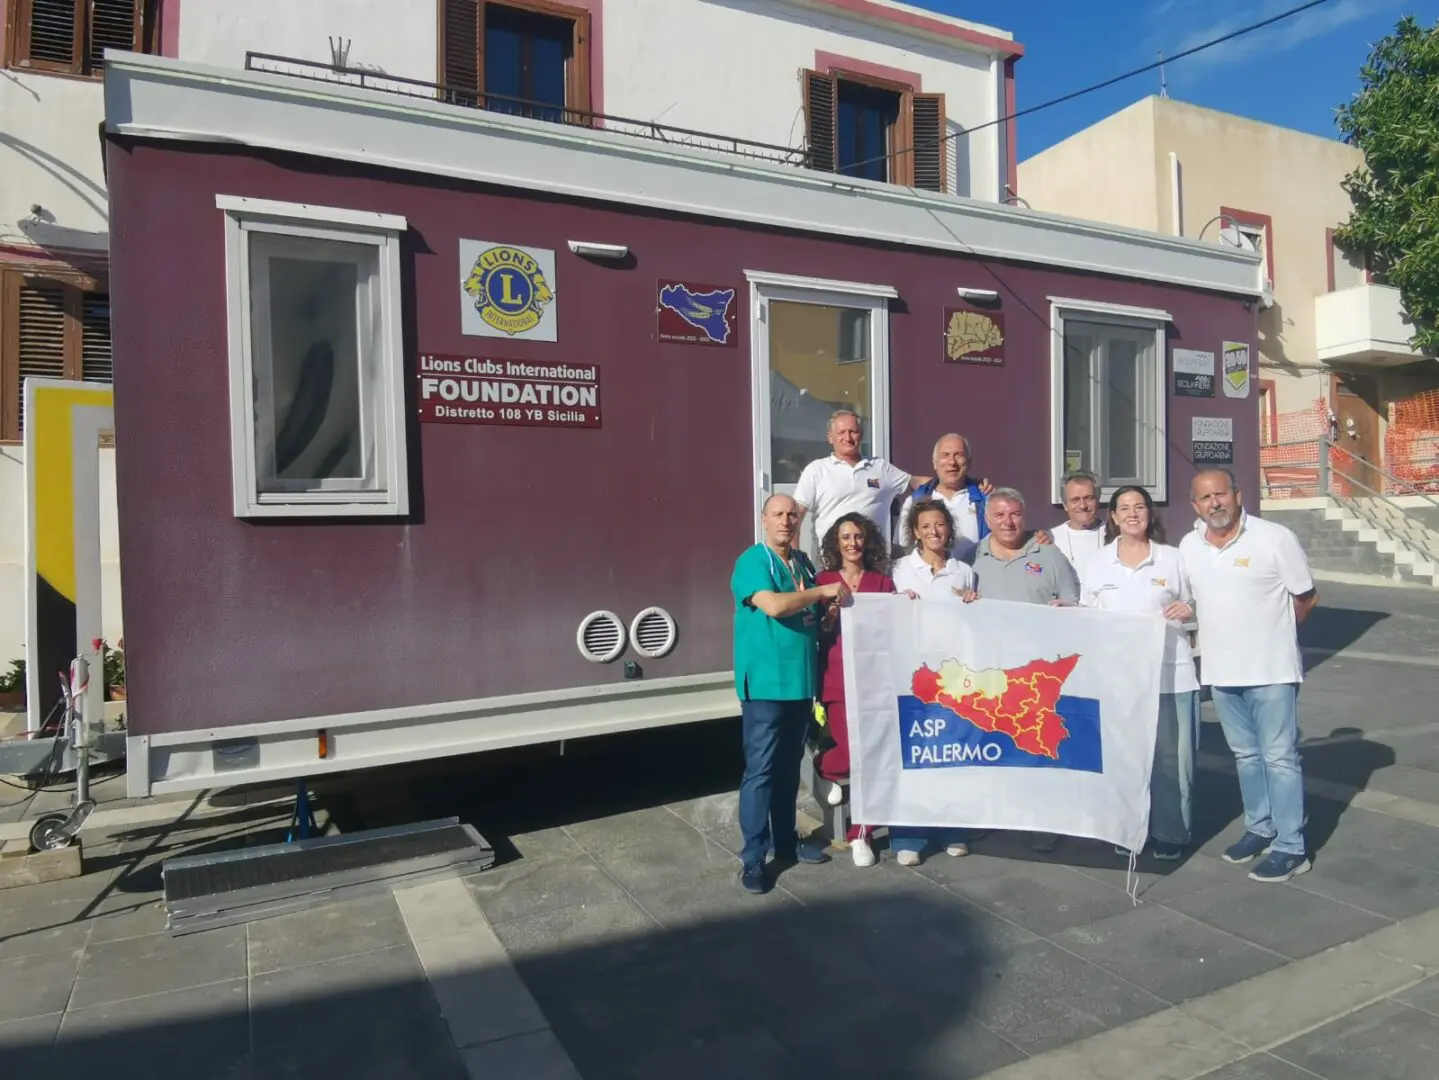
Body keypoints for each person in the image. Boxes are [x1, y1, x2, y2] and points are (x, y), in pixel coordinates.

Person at [1179, 468, 1319, 884]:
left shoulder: (1274, 538)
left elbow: (1306, 596)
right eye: (1206, 498)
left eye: (1221, 494)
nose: (1215, 503)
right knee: (1246, 757)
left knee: (1280, 758)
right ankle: (1260, 828)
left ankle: (1291, 847)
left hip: (1271, 671)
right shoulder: (1189, 546)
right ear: (1195, 505)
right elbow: (1191, 600)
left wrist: (1276, 635)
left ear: (1238, 495)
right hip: (1222, 673)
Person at [730, 494, 846, 894]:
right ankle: (753, 858)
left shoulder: (802, 562)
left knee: (787, 769)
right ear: (763, 519)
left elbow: (810, 615)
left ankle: (785, 842)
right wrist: (820, 592)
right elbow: (776, 606)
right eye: (777, 514)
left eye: (792, 514)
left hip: (799, 682)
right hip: (766, 684)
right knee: (761, 771)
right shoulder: (752, 561)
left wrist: (827, 613)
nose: (786, 521)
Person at [1080, 485, 1198, 860]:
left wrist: (1190, 609)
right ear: (1113, 517)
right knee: (1125, 758)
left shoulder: (1172, 558)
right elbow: (1087, 617)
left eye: (1139, 506)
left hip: (1171, 675)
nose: (1132, 513)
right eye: (1124, 508)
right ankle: (1129, 829)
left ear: (1149, 513)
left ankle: (1171, 832)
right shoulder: (1098, 563)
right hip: (1119, 680)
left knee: (1172, 760)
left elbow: (1197, 601)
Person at [971, 487, 1079, 853]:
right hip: (990, 671)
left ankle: (1044, 822)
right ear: (987, 519)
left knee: (1039, 747)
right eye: (999, 515)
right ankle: (994, 817)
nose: (1008, 521)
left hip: (1038, 675)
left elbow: (1074, 606)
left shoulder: (1049, 554)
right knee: (993, 746)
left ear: (1025, 515)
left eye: (1014, 514)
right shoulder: (973, 557)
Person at [888, 499, 979, 866]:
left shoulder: (964, 572)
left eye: (940, 524)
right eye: (926, 526)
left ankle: (952, 829)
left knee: (951, 753)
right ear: (915, 532)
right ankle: (908, 835)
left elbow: (973, 624)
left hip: (954, 677)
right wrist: (896, 602)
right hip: (912, 676)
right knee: (915, 754)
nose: (934, 532)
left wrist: (973, 602)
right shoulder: (899, 570)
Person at [814, 513, 896, 868]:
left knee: (871, 757)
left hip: (874, 681)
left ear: (867, 541)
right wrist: (829, 617)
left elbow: (893, 628)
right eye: (845, 537)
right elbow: (815, 631)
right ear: (836, 543)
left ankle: (861, 833)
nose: (853, 543)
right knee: (852, 754)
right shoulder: (822, 581)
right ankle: (824, 766)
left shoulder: (882, 583)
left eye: (858, 536)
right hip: (837, 678)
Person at [792, 410, 932, 548]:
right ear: (830, 438)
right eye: (841, 432)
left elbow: (914, 483)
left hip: (874, 557)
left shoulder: (879, 467)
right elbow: (795, 515)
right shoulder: (817, 470)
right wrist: (793, 555)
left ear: (861, 435)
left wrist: (942, 483)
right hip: (831, 558)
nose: (848, 438)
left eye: (853, 431)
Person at [1050, 470, 1106, 582]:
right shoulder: (1051, 538)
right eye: (1075, 500)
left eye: (1088, 498)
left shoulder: (1114, 534)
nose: (1083, 506)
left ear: (1098, 500)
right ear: (1065, 505)